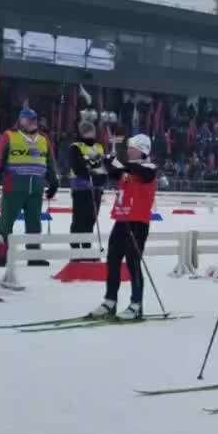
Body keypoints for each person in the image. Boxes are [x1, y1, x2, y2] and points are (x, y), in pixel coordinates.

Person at [86, 134, 158, 321]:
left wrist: (117, 163)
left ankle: (136, 304)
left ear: (142, 150)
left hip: (138, 222)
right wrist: (99, 163)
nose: (128, 151)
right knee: (113, 260)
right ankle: (110, 301)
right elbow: (109, 172)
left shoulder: (148, 167)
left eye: (132, 148)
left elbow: (138, 171)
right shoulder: (128, 170)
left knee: (133, 262)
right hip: (121, 219)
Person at [0, 108, 58, 267]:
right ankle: (1, 256)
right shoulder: (9, 136)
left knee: (34, 223)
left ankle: (33, 255)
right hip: (14, 187)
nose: (32, 122)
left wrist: (53, 182)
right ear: (21, 121)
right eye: (28, 119)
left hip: (36, 188)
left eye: (34, 119)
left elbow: (50, 163)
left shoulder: (43, 139)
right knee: (6, 222)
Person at [68, 120, 107, 262]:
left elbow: (102, 165)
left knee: (91, 219)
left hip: (96, 188)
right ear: (81, 133)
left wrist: (101, 178)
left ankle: (87, 247)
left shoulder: (99, 147)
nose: (89, 133)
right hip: (81, 187)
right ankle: (75, 249)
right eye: (86, 131)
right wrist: (90, 173)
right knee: (79, 219)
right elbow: (77, 166)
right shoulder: (76, 146)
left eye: (91, 131)